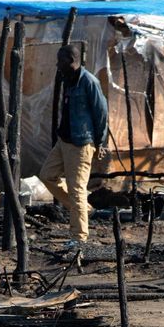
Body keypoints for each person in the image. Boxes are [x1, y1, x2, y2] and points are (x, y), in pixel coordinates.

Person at [39, 44, 107, 249]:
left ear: (71, 60)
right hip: (65, 140)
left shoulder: (89, 82)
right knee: (47, 175)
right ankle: (84, 209)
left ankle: (79, 237)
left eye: (60, 61)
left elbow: (101, 113)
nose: (57, 65)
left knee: (77, 189)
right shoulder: (69, 80)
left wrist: (100, 142)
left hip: (81, 143)